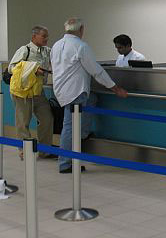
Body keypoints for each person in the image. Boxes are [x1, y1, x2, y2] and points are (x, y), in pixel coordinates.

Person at [51, 18, 128, 173]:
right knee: (70, 127)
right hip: (75, 91)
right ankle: (65, 163)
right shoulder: (81, 46)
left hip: (62, 90)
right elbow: (96, 70)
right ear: (81, 29)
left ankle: (72, 154)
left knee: (72, 123)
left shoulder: (57, 45)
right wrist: (115, 88)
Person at [8, 26, 54, 160]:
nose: (46, 38)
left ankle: (45, 149)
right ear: (34, 36)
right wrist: (32, 68)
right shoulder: (25, 50)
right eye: (43, 36)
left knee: (47, 118)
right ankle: (24, 151)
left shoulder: (47, 51)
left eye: (47, 36)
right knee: (23, 122)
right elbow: (12, 68)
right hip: (23, 92)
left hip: (38, 91)